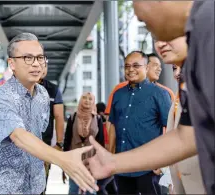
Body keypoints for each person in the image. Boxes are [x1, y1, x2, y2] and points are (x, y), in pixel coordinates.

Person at [86, 2, 214, 195]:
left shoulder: (208, 26)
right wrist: (113, 161)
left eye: (144, 20)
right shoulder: (195, 53)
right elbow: (185, 137)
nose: (159, 42)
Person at [0, 33, 98, 195]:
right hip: (3, 187)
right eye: (28, 58)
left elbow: (38, 133)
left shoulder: (43, 94)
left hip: (35, 184)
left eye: (40, 58)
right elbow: (19, 136)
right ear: (12, 63)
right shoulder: (1, 97)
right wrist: (62, 159)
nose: (36, 64)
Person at [107, 51, 171, 194]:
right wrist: (110, 157)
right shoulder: (118, 94)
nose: (130, 69)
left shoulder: (160, 94)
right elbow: (113, 127)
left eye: (136, 65)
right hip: (122, 166)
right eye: (127, 66)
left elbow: (171, 128)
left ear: (147, 67)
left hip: (148, 167)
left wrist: (164, 161)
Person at [155, 37, 206, 194]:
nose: (177, 73)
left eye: (181, 68)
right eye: (173, 69)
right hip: (179, 178)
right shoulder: (177, 100)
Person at [63, 93, 104, 195]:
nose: (87, 100)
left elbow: (101, 143)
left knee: (91, 190)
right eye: (84, 98)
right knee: (73, 190)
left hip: (92, 161)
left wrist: (101, 161)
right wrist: (64, 162)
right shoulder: (73, 117)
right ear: (80, 100)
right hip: (75, 160)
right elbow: (67, 140)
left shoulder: (97, 119)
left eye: (90, 99)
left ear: (93, 102)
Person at [38, 61, 65, 194]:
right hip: (22, 145)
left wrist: (59, 143)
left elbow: (59, 117)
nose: (42, 68)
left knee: (41, 184)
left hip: (44, 146)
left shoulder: (53, 90)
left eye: (45, 65)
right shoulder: (21, 86)